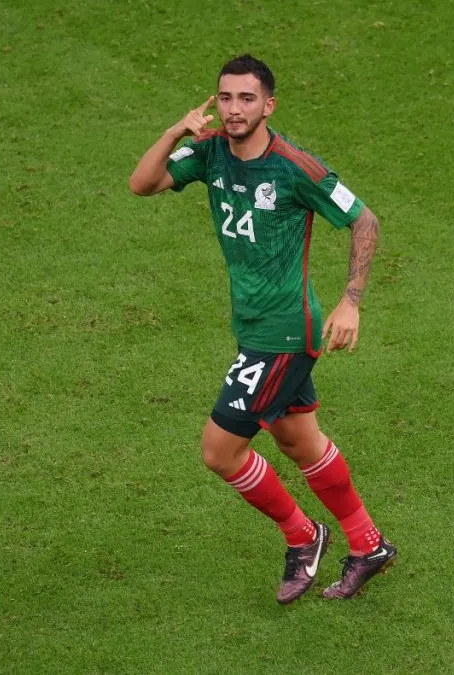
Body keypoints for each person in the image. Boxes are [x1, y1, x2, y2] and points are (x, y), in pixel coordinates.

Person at [128, 54, 396, 604]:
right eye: (224, 98)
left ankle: (303, 537)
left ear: (268, 105)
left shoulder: (295, 166)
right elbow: (142, 183)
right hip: (251, 327)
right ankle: (368, 545)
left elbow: (363, 219)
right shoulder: (208, 154)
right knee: (301, 441)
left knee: (219, 452)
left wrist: (351, 303)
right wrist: (176, 130)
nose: (233, 109)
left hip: (285, 332)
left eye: (246, 98)